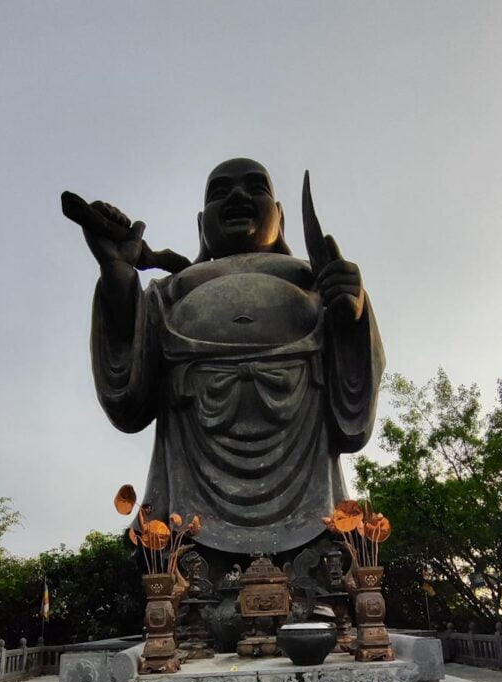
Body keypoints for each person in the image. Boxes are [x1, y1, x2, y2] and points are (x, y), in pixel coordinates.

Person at [80, 158, 384, 558]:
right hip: (191, 477)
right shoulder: (172, 290)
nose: (238, 196)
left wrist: (350, 316)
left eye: (255, 187)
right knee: (176, 565)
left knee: (324, 556)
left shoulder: (313, 280)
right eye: (219, 192)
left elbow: (354, 402)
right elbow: (128, 393)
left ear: (280, 217)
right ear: (200, 224)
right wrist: (118, 275)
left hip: (304, 470)